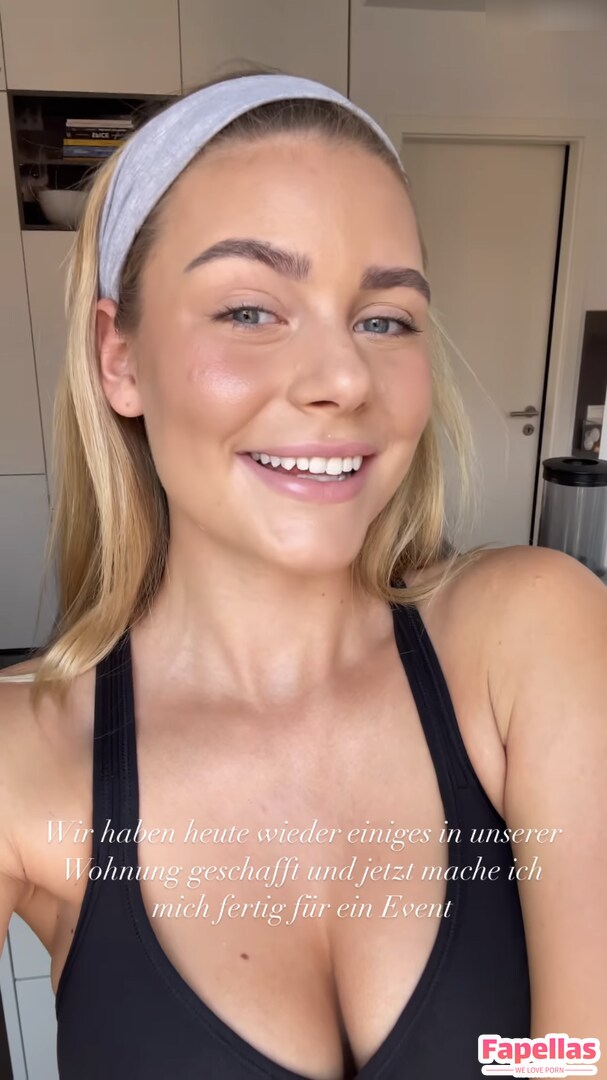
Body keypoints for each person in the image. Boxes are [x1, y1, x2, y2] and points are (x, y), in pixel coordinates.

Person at [0, 66, 605, 1080]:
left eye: (384, 319)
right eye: (249, 310)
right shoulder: (21, 761)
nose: (343, 379)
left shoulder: (534, 637)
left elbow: (584, 1057)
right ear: (120, 358)